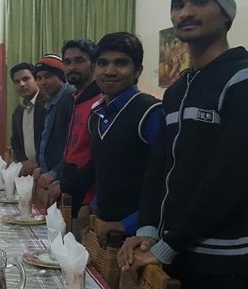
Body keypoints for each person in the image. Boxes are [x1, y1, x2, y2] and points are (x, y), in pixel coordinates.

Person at [119, 0, 248, 289]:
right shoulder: (178, 90)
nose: (186, 12)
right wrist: (147, 231)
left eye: (200, 1)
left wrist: (165, 245)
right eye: (178, 4)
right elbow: (159, 168)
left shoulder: (247, 79)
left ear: (227, 13)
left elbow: (228, 180)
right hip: (173, 253)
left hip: (221, 262)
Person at [52, 33, 164, 247]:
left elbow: (164, 182)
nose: (110, 71)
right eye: (103, 63)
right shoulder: (98, 116)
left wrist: (128, 224)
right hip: (105, 228)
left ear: (137, 70)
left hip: (140, 237)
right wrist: (93, 204)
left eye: (120, 63)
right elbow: (102, 166)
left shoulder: (150, 112)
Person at [58, 39, 103, 236]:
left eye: (79, 60)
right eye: (67, 62)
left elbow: (99, 160)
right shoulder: (77, 99)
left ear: (93, 64)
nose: (72, 67)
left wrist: (91, 201)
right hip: (71, 193)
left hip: (87, 200)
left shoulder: (100, 101)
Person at [31, 55, 75, 208]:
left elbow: (72, 145)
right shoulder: (52, 100)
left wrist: (55, 172)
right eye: (39, 77)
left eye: (48, 76)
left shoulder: (69, 97)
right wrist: (41, 168)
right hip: (50, 177)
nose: (43, 82)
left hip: (63, 180)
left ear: (61, 77)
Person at [8, 62, 44, 176]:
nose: (22, 84)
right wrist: (24, 161)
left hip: (47, 171)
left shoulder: (48, 105)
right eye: (17, 81)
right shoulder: (18, 112)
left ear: (36, 80)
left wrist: (38, 162)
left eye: (26, 79)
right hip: (28, 172)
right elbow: (15, 141)